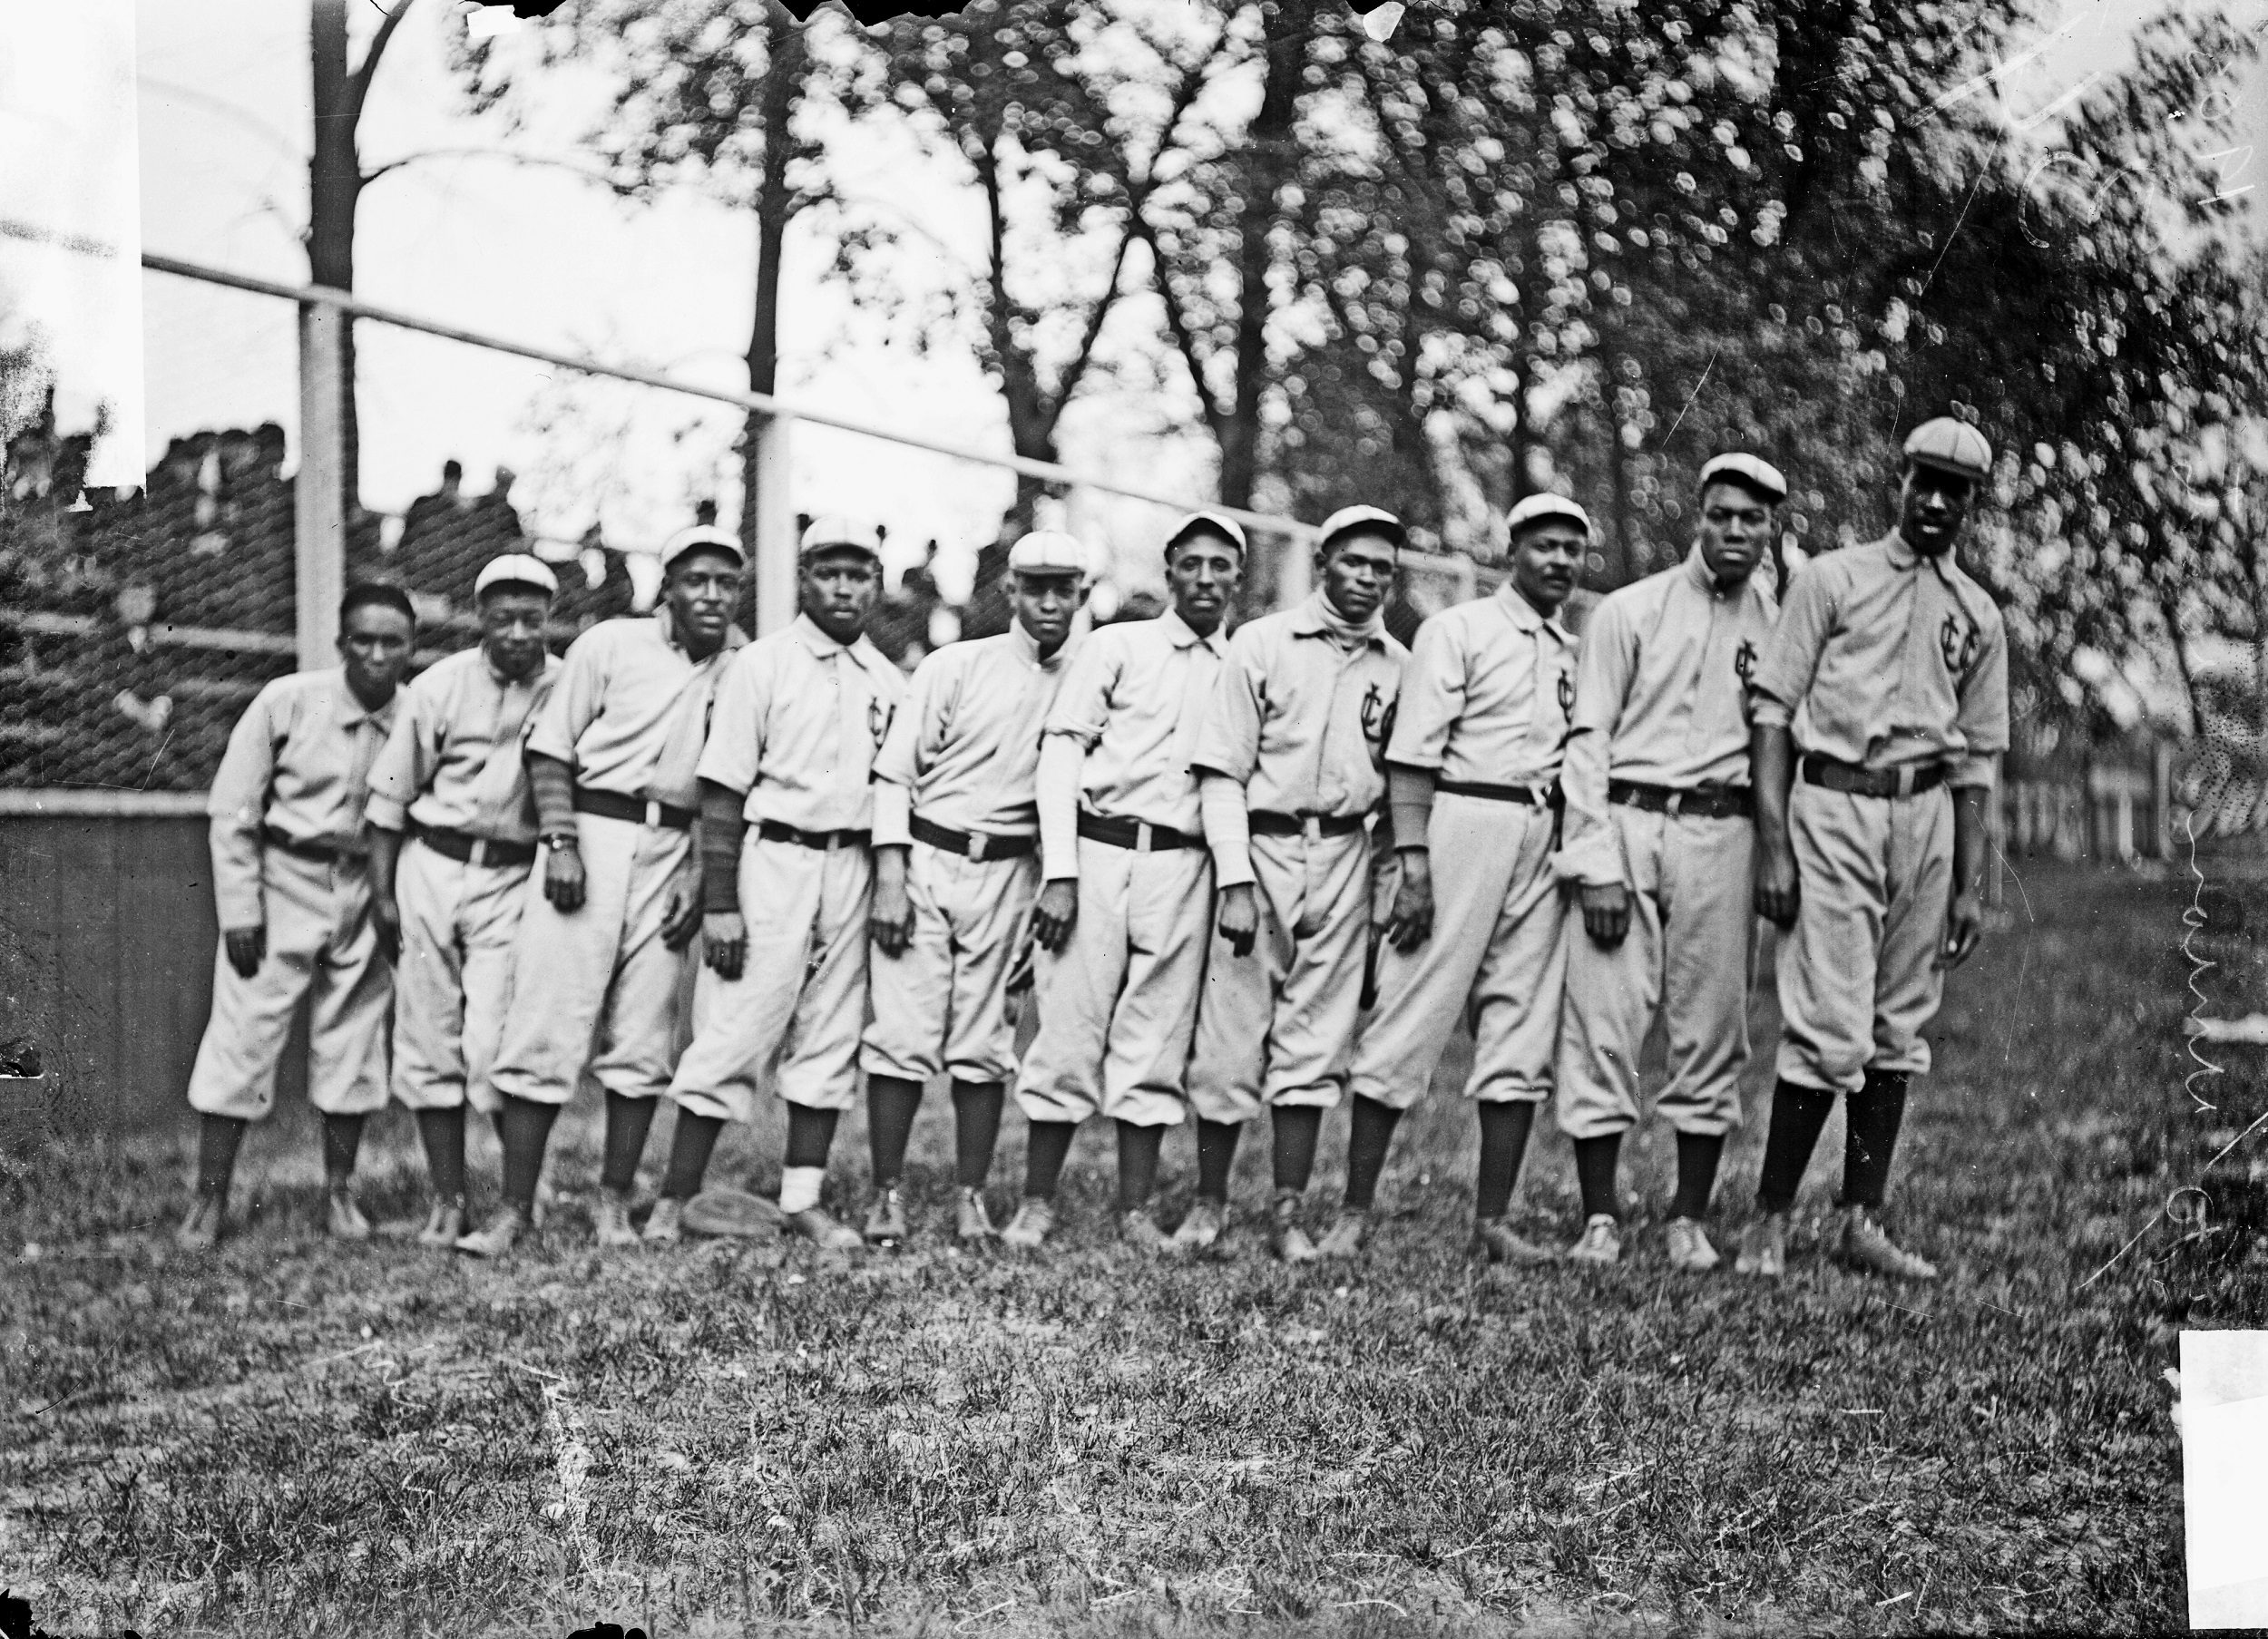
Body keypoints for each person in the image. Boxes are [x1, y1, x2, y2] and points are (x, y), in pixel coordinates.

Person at [1737, 417, 2009, 1283]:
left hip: (1924, 815)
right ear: (1900, 481)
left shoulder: (1978, 614)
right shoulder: (1831, 577)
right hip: (1834, 802)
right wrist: (1775, 846)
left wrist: (1970, 885)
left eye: (1953, 489)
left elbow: (1975, 761)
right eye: (1922, 480)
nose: (1934, 500)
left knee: (1898, 1026)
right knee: (1827, 1024)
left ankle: (1862, 1219)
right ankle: (1770, 1219)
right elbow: (1774, 713)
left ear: (1971, 504)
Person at [456, 526, 747, 1257]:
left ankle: (612, 1201)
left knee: (644, 1035)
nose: (712, 595)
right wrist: (559, 839)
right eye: (697, 580)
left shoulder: (744, 666)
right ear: (668, 587)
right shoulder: (610, 644)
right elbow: (550, 745)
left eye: (726, 582)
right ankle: (516, 1208)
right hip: (592, 831)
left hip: (674, 848)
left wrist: (702, 873)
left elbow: (728, 784)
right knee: (543, 1025)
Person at [1335, 493, 1588, 1263]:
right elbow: (1412, 755)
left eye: (1573, 550)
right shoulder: (1461, 629)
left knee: (1519, 1024)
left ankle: (1492, 1219)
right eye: (1545, 545)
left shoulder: (1569, 648)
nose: (1560, 562)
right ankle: (1352, 1211)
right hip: (1463, 821)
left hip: (1541, 831)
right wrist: (1412, 860)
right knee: (1412, 1009)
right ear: (1513, 549)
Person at [1551, 454, 1786, 1271]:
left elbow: (1778, 741)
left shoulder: (1778, 621)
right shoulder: (1631, 608)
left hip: (1722, 833)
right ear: (1698, 515)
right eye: (1720, 514)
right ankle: (1600, 1216)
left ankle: (1688, 1215)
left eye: (1750, 519)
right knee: (1604, 1020)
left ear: (1770, 530)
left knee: (1712, 1026)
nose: (1733, 531)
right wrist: (1596, 862)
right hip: (1629, 816)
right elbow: (1586, 739)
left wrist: (1774, 846)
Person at [648, 517, 905, 1250]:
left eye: (860, 573)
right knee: (734, 1023)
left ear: (877, 584)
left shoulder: (888, 679)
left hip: (849, 863)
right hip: (774, 858)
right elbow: (722, 790)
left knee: (829, 1031)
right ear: (804, 577)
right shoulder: (759, 664)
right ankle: (677, 1195)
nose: (846, 587)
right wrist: (721, 903)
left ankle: (803, 1197)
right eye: (831, 571)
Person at [1003, 511, 1245, 1252]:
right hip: (1101, 850)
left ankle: (1134, 1209)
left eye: (1221, 566)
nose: (1206, 579)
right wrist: (1063, 870)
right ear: (1169, 571)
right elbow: (1061, 754)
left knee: (1155, 1039)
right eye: (1192, 563)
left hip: (1186, 863)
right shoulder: (1117, 644)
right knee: (1069, 1030)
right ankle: (1036, 1202)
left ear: (1239, 577)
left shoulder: (1243, 663)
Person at [1177, 506, 1409, 1259]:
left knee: (1315, 1043)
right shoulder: (1263, 642)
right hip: (1263, 842)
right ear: (1324, 564)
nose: (1369, 579)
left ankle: (1286, 1208)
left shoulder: (1396, 664)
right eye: (1356, 563)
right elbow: (1220, 772)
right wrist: (1236, 879)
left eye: (1383, 567)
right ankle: (1209, 1201)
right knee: (1230, 1036)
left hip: (1343, 850)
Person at [862, 531, 1090, 1245]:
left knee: (985, 1041)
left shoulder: (1090, 676)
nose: (1050, 601)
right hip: (930, 856)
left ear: (1082, 595)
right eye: (1036, 587)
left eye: (1065, 588)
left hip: (1012, 871)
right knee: (901, 1033)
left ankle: (970, 1195)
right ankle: (887, 1194)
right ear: (1011, 592)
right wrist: (892, 877)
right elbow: (895, 774)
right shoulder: (956, 664)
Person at [173, 583, 417, 1250]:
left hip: (367, 885)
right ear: (340, 643)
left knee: (354, 1040)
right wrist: (240, 910)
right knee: (243, 1036)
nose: (375, 653)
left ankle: (340, 1193)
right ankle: (209, 1198)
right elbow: (233, 810)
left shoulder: (418, 714)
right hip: (285, 880)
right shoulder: (287, 701)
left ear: (410, 647)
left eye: (391, 641)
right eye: (362, 639)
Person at [364, 554, 562, 1248]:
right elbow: (388, 798)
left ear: (548, 619)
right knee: (426, 1039)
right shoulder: (440, 685)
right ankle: (448, 1200)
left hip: (512, 874)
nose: (516, 632)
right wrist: (383, 894)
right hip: (433, 864)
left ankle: (519, 1198)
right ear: (480, 617)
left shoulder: (565, 685)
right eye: (502, 617)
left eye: (530, 618)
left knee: (495, 1042)